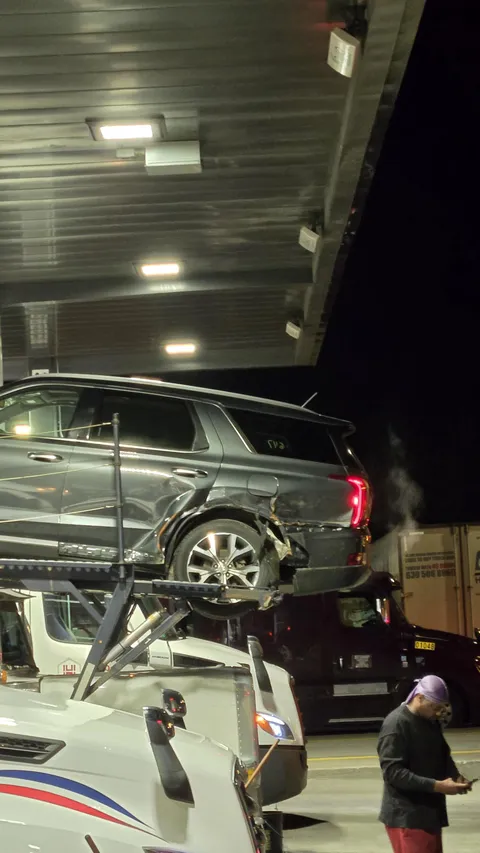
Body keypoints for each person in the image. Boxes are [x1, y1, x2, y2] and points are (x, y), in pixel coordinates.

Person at [377, 675, 471, 853]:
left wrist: (454, 775)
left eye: (440, 708)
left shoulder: (429, 720)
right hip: (408, 818)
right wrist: (437, 786)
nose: (437, 713)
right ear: (419, 698)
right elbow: (393, 773)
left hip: (428, 815)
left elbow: (442, 752)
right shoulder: (396, 725)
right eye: (433, 707)